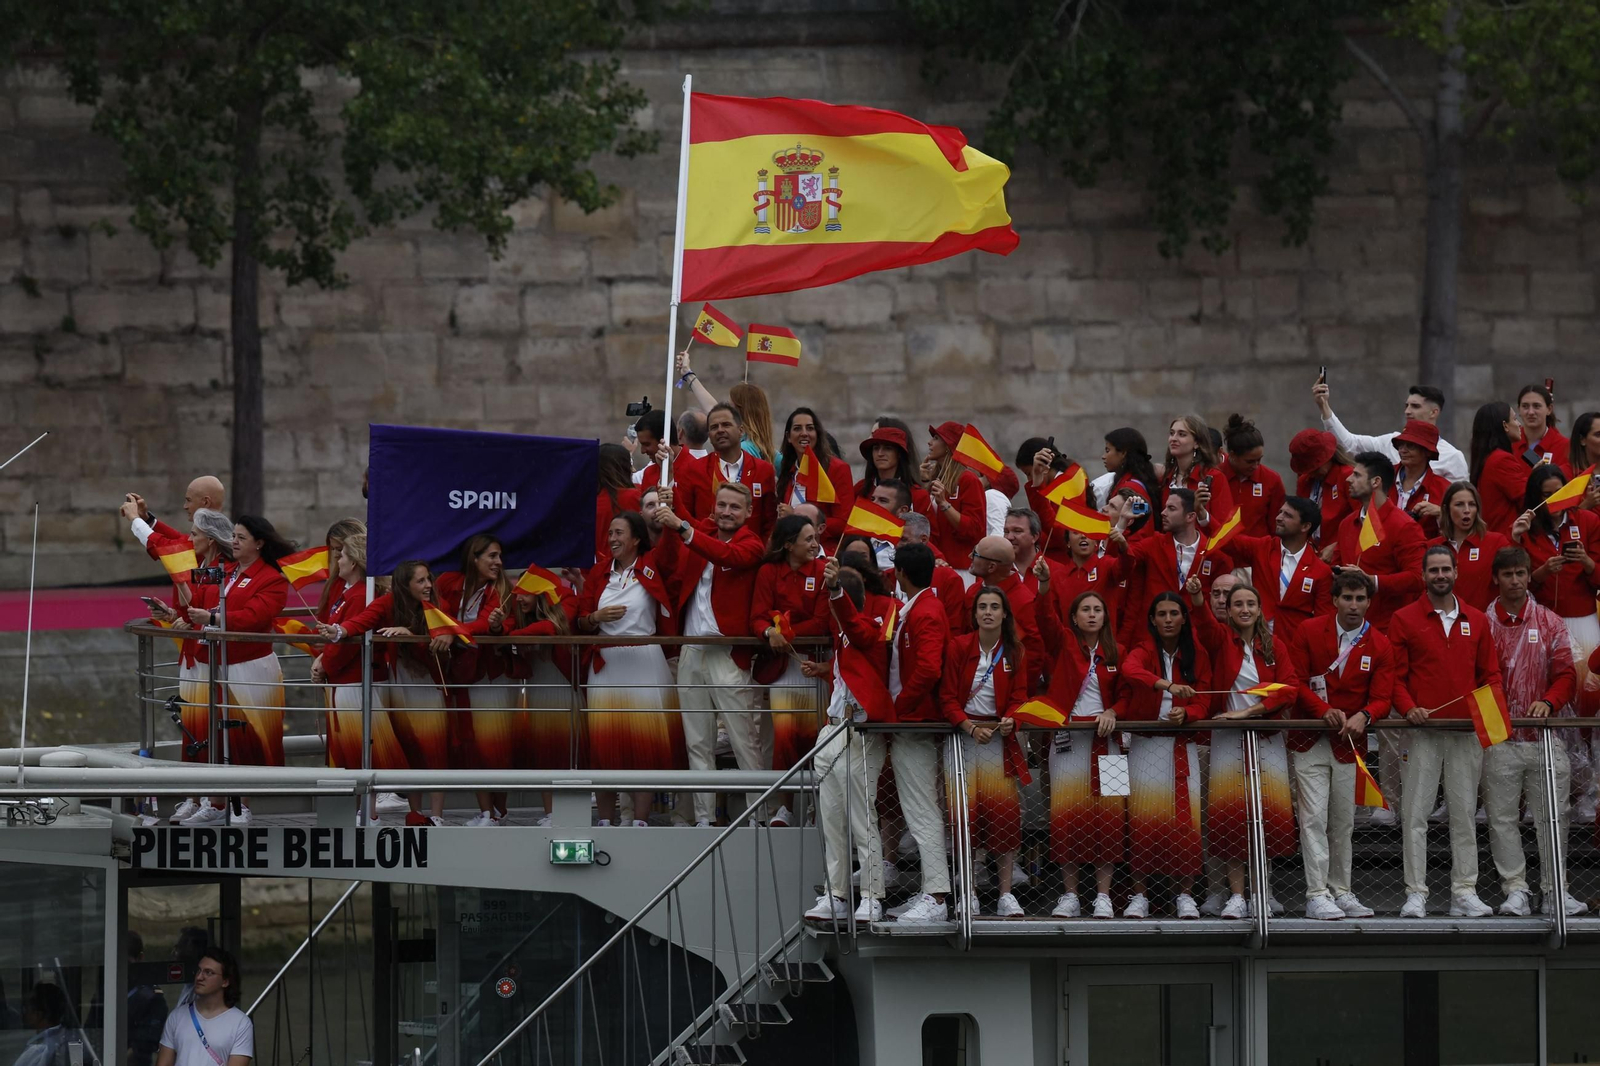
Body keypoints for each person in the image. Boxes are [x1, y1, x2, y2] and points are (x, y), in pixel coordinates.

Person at [1388, 545, 1502, 918]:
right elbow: (1396, 678)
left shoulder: (1477, 619)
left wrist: (1488, 722)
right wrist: (1408, 708)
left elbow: (1491, 676)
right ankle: (1415, 892)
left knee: (1464, 814)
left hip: (1465, 733)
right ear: (1423, 575)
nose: (1440, 575)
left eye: (1445, 569)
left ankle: (1464, 892)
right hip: (1422, 732)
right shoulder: (1404, 618)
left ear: (1456, 572)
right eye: (1433, 570)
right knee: (1415, 815)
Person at [655, 483, 768, 826]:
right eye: (722, 505)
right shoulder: (701, 530)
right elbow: (685, 528)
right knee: (698, 742)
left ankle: (757, 818)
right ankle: (704, 819)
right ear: (714, 507)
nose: (727, 512)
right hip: (692, 648)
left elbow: (725, 555)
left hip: (727, 652)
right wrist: (671, 505)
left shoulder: (752, 543)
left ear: (748, 512)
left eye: (735, 507)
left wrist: (681, 525)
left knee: (743, 740)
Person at [1188, 579, 1299, 920]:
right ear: (1230, 610)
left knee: (1264, 816)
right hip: (1227, 741)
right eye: (1238, 604)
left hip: (1265, 739)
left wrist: (1249, 711)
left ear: (1259, 609)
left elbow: (1290, 689)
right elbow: (1204, 624)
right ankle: (1236, 895)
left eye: (1251, 603)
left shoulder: (1275, 645)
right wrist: (1196, 597)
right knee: (1231, 817)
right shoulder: (1222, 639)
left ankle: (1261, 889)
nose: (1245, 609)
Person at [1482, 546, 1584, 916]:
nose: (1515, 580)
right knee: (1502, 818)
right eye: (1507, 574)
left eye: (1521, 573)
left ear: (1529, 576)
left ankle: (1555, 889)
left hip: (1544, 738)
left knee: (1553, 816)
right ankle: (1516, 891)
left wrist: (1550, 702)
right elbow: (1475, 679)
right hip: (1499, 740)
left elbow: (1567, 675)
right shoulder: (1480, 624)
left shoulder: (1550, 621)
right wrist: (1495, 725)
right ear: (1496, 578)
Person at [1287, 570, 1392, 920]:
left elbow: (1382, 698)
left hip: (1350, 743)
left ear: (1369, 602)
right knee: (1313, 818)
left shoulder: (1380, 643)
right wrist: (1323, 710)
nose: (1353, 604)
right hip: (1311, 739)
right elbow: (1296, 682)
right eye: (1347, 597)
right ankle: (1317, 894)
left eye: (1360, 598)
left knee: (1344, 823)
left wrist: (1366, 714)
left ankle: (1342, 890)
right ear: (1334, 600)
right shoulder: (1308, 630)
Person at [320, 561, 457, 826]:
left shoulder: (439, 605)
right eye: (420, 581)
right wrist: (339, 630)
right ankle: (416, 814)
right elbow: (364, 620)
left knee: (434, 749)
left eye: (428, 579)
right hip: (398, 683)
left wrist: (411, 634)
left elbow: (444, 637)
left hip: (428, 684)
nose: (428, 585)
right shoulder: (389, 603)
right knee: (411, 747)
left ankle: (438, 816)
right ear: (405, 585)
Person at [177, 516, 292, 825]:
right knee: (213, 733)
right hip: (217, 663)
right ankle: (214, 802)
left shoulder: (272, 579)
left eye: (242, 537)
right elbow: (199, 599)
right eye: (234, 536)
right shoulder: (224, 571)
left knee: (245, 736)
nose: (235, 541)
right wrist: (180, 586)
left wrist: (211, 619)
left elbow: (256, 616)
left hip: (249, 666)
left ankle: (242, 803)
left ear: (260, 543)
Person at [803, 560, 896, 923]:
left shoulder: (868, 630)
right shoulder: (843, 636)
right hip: (833, 730)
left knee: (861, 817)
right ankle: (837, 894)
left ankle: (872, 896)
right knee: (832, 819)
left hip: (860, 733)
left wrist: (836, 593)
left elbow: (859, 633)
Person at [575, 512, 678, 826]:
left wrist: (671, 510)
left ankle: (640, 820)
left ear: (636, 538)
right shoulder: (598, 572)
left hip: (644, 659)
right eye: (609, 533)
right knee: (604, 745)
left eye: (619, 533)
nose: (612, 539)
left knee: (643, 744)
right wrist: (596, 618)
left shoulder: (652, 564)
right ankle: (606, 819)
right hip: (607, 663)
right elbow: (580, 619)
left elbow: (673, 551)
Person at [1510, 464, 1600, 819]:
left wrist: (1589, 564)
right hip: (1542, 625)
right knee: (1548, 704)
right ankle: (1544, 790)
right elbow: (1511, 583)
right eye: (1546, 495)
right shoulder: (1527, 527)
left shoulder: (1590, 522)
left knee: (1586, 709)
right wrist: (1539, 569)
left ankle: (1588, 792)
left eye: (1559, 493)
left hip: (1585, 624)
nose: (1554, 501)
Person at [1035, 590, 1128, 918]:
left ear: (1105, 616)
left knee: (1112, 820)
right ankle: (1070, 895)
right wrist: (1045, 587)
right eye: (1085, 610)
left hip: (1111, 743)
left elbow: (1130, 693)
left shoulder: (1118, 651)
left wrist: (1114, 710)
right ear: (1074, 617)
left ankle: (1103, 896)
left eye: (1097, 609)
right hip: (1069, 741)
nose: (1091, 615)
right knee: (1066, 818)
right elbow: (1044, 618)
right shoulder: (1063, 643)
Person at [1118, 592, 1209, 919]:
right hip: (1144, 745)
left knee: (1186, 822)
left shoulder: (1196, 653)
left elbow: (1203, 701)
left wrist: (1188, 714)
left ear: (1184, 618)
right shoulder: (1142, 650)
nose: (1168, 619)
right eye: (1162, 614)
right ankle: (1139, 894)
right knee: (1140, 820)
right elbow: (1130, 670)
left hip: (1181, 746)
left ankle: (1185, 895)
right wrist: (1166, 686)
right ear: (1153, 620)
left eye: (1174, 613)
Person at [941, 586, 1029, 917]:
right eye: (982, 607)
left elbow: (1020, 697)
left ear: (1005, 613)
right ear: (975, 614)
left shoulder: (1016, 652)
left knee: (1004, 816)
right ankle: (969, 891)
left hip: (998, 740)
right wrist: (968, 727)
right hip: (963, 739)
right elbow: (947, 697)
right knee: (964, 818)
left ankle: (1005, 894)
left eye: (995, 606)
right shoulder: (959, 646)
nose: (988, 612)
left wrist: (1013, 719)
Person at [144, 508, 236, 825]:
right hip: (194, 657)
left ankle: (216, 801)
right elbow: (195, 612)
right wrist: (172, 615)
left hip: (211, 660)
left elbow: (217, 616)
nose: (190, 539)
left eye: (195, 534)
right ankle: (195, 796)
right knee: (193, 730)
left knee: (210, 729)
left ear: (210, 539)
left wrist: (138, 522)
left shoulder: (225, 572)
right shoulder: (203, 570)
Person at [882, 542, 953, 923]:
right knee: (918, 809)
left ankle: (937, 899)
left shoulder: (925, 611)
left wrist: (899, 709)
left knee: (922, 810)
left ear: (901, 573)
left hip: (915, 722)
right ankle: (931, 892)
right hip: (911, 720)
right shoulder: (920, 606)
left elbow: (927, 669)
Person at [311, 534, 406, 799]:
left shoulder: (359, 595)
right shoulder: (351, 593)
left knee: (362, 741)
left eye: (341, 555)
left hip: (353, 680)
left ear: (353, 563)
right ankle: (370, 800)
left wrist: (325, 665)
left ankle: (380, 797)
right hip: (346, 678)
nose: (337, 560)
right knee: (355, 742)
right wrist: (323, 660)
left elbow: (348, 642)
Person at [750, 514, 830, 827]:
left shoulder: (823, 571)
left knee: (815, 739)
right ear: (788, 544)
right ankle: (786, 808)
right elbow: (756, 617)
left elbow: (822, 622)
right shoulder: (769, 572)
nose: (815, 544)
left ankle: (814, 809)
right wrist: (770, 632)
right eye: (808, 539)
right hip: (784, 668)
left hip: (814, 665)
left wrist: (785, 628)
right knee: (784, 739)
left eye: (815, 538)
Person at [436, 535, 513, 826]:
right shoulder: (448, 582)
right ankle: (485, 812)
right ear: (474, 558)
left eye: (499, 556)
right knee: (472, 744)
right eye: (492, 556)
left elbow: (484, 624)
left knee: (494, 745)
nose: (498, 562)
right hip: (459, 673)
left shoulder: (501, 588)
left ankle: (499, 810)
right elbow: (434, 612)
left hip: (490, 676)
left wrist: (452, 631)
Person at [502, 571, 581, 824]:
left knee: (567, 751)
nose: (520, 599)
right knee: (543, 751)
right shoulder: (521, 616)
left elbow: (551, 627)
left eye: (525, 593)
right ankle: (551, 813)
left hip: (563, 686)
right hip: (537, 689)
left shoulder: (566, 601)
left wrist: (510, 637)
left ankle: (569, 813)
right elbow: (505, 626)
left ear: (541, 592)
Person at [1106, 488, 1233, 633]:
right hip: (1153, 639)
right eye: (1165, 507)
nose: (1163, 513)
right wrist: (1122, 522)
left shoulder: (1214, 554)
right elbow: (1114, 561)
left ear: (1190, 517)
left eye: (1171, 508)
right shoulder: (1153, 544)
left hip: (1195, 641)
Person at [1329, 450, 1427, 632]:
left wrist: (1372, 581)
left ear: (1376, 482)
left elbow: (1418, 578)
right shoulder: (1346, 524)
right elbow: (1336, 566)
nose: (1349, 479)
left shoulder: (1404, 526)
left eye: (1357, 475)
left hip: (1387, 629)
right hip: (1347, 629)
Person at [1223, 497, 1334, 648]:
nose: (1279, 518)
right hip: (1255, 639)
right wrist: (1204, 517)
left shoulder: (1321, 571)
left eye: (1287, 515)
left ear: (1305, 526)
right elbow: (1227, 541)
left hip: (1294, 646)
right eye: (1280, 512)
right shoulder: (1263, 547)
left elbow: (1323, 621)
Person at [1313, 378, 1468, 480]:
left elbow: (1459, 503)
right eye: (1406, 406)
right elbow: (1349, 444)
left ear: (1434, 412)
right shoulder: (1390, 441)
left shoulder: (1452, 457)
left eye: (1415, 406)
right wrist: (1324, 406)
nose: (1407, 411)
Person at [677, 402, 777, 541]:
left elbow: (769, 522)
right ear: (709, 435)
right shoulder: (693, 470)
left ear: (741, 430)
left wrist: (760, 553)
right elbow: (685, 517)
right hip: (707, 555)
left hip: (749, 556)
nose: (720, 430)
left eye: (726, 425)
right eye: (714, 427)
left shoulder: (763, 470)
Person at [962, 535, 1045, 680]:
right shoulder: (972, 592)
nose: (970, 556)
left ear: (992, 567)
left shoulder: (1024, 602)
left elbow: (1033, 655)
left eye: (975, 554)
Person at [155, 947, 252, 1066]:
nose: (199, 977)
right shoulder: (177, 1016)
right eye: (199, 971)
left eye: (208, 972)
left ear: (225, 981)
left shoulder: (241, 1023)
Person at [675, 347, 776, 461]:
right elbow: (712, 409)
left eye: (729, 407)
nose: (723, 412)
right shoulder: (769, 450)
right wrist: (687, 373)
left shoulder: (741, 449)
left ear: (740, 412)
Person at [774, 407, 853, 545]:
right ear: (788, 437)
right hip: (790, 552)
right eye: (797, 428)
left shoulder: (837, 469)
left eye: (810, 428)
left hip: (822, 553)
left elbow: (843, 523)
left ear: (817, 434)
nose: (804, 433)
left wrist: (796, 516)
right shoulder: (788, 470)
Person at [1430, 481, 1511, 611]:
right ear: (1446, 509)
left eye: (1472, 505)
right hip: (1442, 625)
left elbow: (1514, 578)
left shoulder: (1496, 542)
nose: (1467, 510)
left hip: (1484, 624)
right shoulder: (1432, 547)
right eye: (1459, 504)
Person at [924, 422, 988, 575]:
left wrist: (945, 505)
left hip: (961, 569)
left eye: (936, 438)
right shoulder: (935, 477)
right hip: (934, 566)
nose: (930, 442)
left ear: (948, 445)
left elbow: (975, 529)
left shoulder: (968, 480)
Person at [1163, 414, 1235, 532]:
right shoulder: (1167, 478)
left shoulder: (1214, 477)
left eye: (1182, 434)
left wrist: (1202, 515)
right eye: (1172, 433)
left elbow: (1225, 529)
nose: (1173, 438)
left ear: (1197, 443)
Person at [1288, 429, 1356, 552]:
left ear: (1327, 457)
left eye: (1315, 467)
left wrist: (1337, 546)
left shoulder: (1348, 477)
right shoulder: (1305, 480)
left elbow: (1364, 521)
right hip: (1312, 555)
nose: (1311, 473)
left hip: (1342, 555)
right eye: (1307, 469)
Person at [1469, 401, 1529, 535]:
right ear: (1505, 425)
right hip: (1507, 539)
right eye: (1514, 419)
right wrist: (1539, 478)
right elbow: (1528, 499)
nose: (1519, 424)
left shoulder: (1487, 458)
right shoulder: (1502, 460)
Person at [1222, 414, 1286, 539]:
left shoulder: (1271, 479)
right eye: (1250, 461)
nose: (1256, 466)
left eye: (1259, 460)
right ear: (1233, 455)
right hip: (1220, 553)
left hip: (1258, 554)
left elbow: (1277, 526)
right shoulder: (1215, 476)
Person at [1392, 420, 1451, 540]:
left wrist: (1441, 514)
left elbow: (1456, 535)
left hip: (1423, 555)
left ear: (1427, 452)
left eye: (1411, 446)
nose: (1402, 450)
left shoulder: (1444, 489)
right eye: (1401, 445)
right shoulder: (1382, 478)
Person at [856, 425, 930, 518]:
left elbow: (929, 532)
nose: (880, 453)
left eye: (888, 448)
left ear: (899, 454)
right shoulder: (860, 489)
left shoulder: (918, 495)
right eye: (876, 448)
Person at [127, 931, 170, 1066]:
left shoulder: (151, 997)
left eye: (126, 963)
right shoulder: (104, 991)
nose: (120, 970)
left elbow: (145, 1044)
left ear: (140, 958)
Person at [597, 443, 642, 564]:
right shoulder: (634, 496)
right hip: (630, 567)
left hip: (597, 570)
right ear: (625, 467)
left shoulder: (590, 501)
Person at [1514, 384, 1571, 475]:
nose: (1531, 412)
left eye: (1536, 406)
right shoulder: (1509, 444)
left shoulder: (1565, 447)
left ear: (1549, 409)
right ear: (1519, 410)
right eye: (1525, 406)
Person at [13, 983, 71, 1066]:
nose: (24, 1013)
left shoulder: (39, 1049)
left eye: (26, 1009)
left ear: (38, 1015)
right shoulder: (63, 1038)